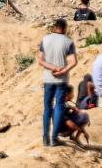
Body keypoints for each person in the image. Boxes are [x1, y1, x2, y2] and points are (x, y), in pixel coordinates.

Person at [37, 18, 77, 147]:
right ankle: (54, 139)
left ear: (54, 27)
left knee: (47, 107)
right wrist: (62, 70)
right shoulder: (68, 42)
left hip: (48, 78)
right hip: (62, 79)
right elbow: (73, 61)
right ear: (65, 28)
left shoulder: (45, 39)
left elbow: (40, 60)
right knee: (59, 105)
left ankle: (45, 137)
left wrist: (52, 68)